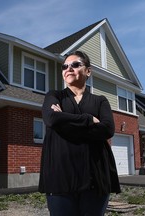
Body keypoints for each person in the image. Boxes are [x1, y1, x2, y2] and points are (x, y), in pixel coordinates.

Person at [38, 50, 121, 216]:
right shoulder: (54, 96)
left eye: (75, 65)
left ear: (88, 71)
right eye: (65, 66)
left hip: (95, 177)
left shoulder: (100, 100)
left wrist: (64, 120)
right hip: (60, 176)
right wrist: (89, 120)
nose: (69, 68)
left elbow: (107, 129)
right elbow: (52, 119)